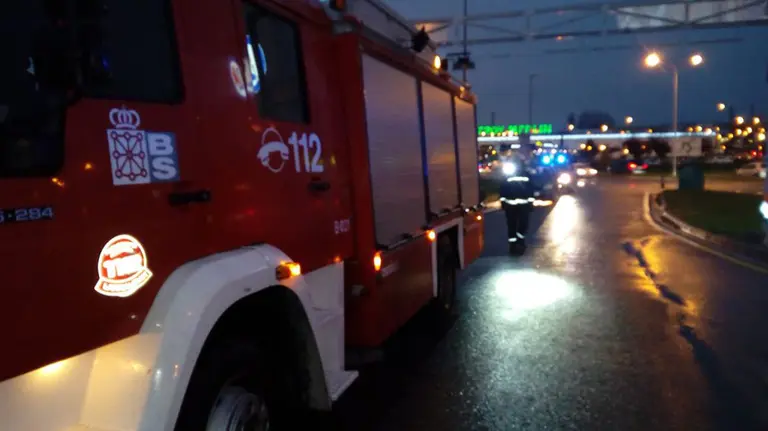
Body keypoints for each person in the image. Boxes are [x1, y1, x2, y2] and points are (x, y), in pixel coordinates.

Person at [499, 157, 535, 255]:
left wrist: (531, 203)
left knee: (523, 225)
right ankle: (513, 246)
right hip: (510, 207)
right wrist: (503, 203)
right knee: (512, 226)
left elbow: (531, 190)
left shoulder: (526, 175)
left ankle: (520, 239)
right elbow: (502, 190)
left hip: (524, 206)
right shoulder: (507, 176)